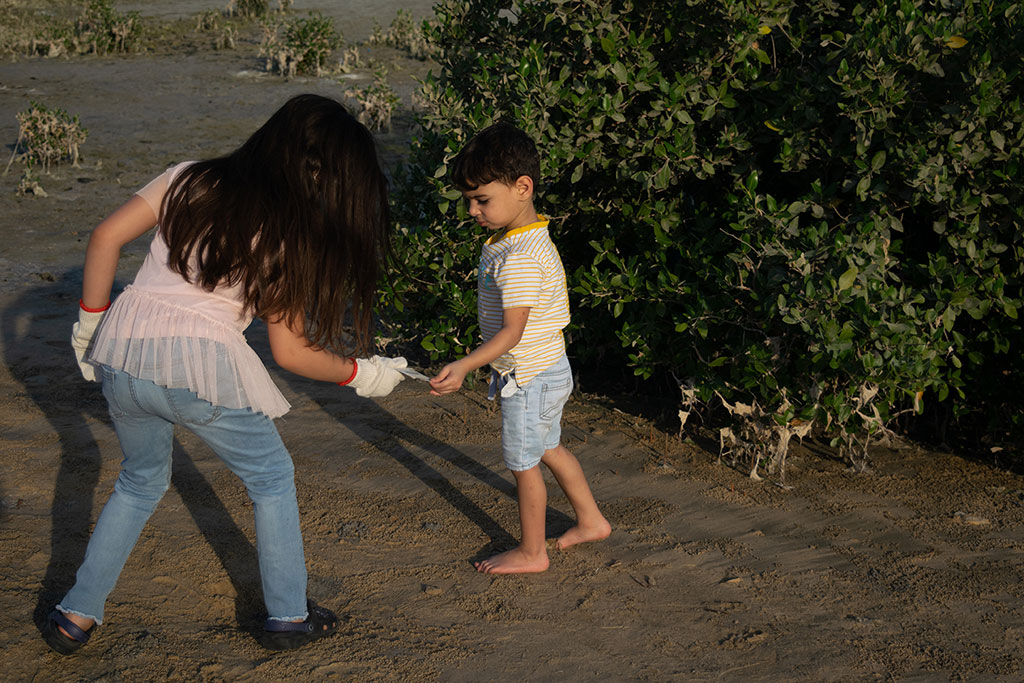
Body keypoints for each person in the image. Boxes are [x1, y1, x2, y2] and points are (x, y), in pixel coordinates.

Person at [45, 94, 408, 655]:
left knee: (139, 481)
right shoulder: (291, 235)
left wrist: (91, 327)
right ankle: (288, 614)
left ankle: (76, 614)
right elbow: (292, 354)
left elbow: (105, 237)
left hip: (124, 356)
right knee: (271, 479)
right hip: (201, 368)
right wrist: (363, 372)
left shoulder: (187, 178)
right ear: (320, 174)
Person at [429, 122, 610, 574]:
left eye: (481, 199)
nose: (472, 210)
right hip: (549, 368)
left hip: (529, 379)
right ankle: (591, 521)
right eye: (468, 200)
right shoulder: (527, 237)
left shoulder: (519, 258)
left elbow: (511, 333)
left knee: (523, 464)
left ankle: (532, 552)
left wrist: (464, 365)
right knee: (550, 448)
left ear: (522, 188)